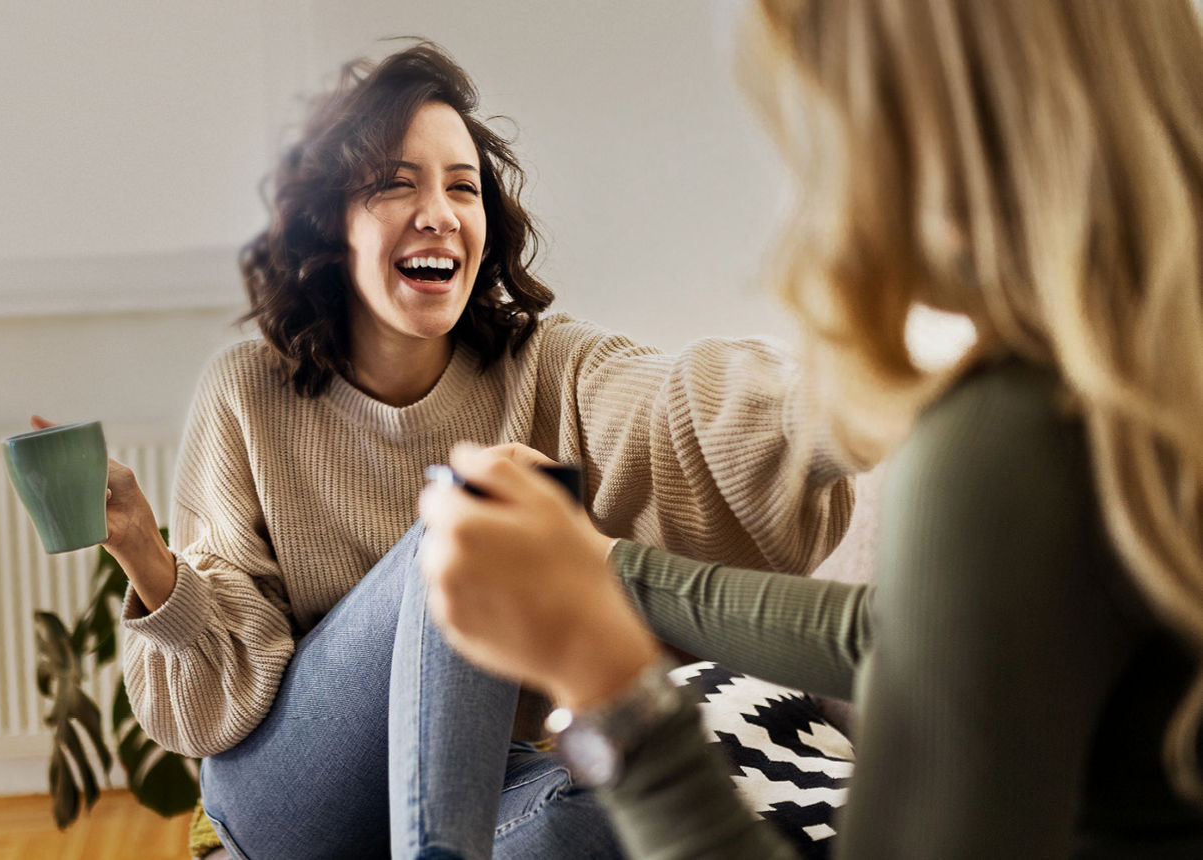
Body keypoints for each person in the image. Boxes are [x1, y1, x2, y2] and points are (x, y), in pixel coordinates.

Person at [418, 0, 1203, 856]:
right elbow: (899, 637)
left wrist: (605, 685)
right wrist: (612, 572)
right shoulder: (1145, 391)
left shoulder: (1010, 436)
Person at [54, 42, 854, 859]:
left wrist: (854, 404)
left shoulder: (550, 365)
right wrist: (145, 556)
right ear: (332, 222)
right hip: (287, 794)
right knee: (470, 510)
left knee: (638, 802)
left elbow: (681, 409)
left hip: (484, 782)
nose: (439, 211)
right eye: (398, 183)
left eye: (462, 188)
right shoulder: (248, 391)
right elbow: (216, 704)